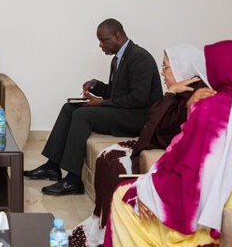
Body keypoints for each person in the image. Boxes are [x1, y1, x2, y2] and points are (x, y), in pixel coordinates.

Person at [107, 40, 232, 246]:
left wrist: (145, 191)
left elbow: (190, 170)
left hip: (214, 218)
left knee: (123, 196)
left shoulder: (213, 107)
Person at [69, 44, 209, 247]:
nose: (162, 73)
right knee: (105, 156)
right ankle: (103, 223)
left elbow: (154, 125)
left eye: (166, 67)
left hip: (161, 145)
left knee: (112, 162)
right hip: (152, 138)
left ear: (182, 68)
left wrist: (170, 93)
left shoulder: (192, 96)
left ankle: (114, 228)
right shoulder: (182, 93)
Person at [24, 18, 162, 196]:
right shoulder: (118, 58)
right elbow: (117, 92)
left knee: (83, 115)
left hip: (138, 117)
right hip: (125, 111)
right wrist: (97, 85)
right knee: (69, 108)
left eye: (104, 40)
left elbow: (138, 99)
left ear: (117, 35)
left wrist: (102, 102)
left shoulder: (139, 58)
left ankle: (73, 180)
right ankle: (52, 166)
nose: (100, 45)